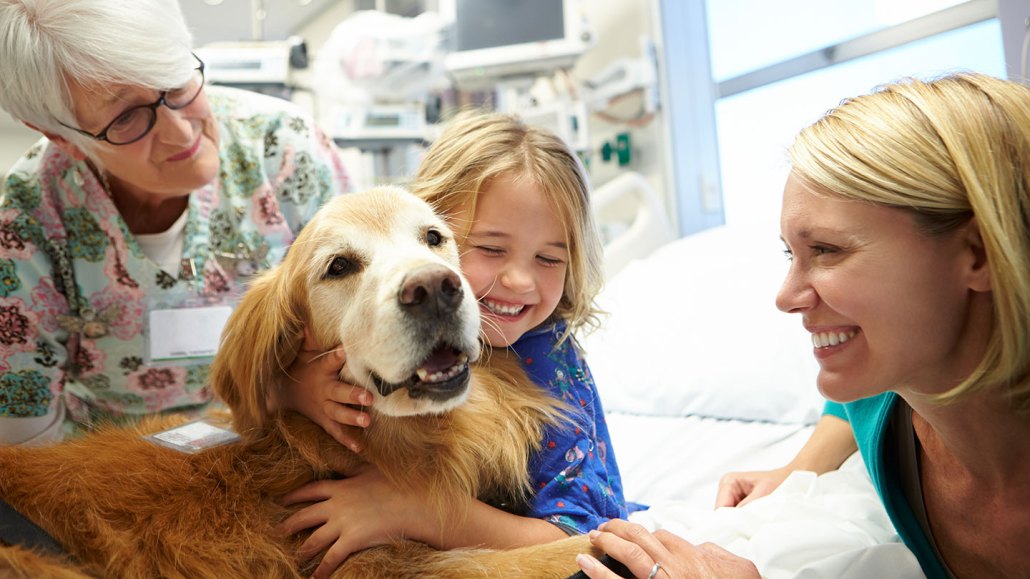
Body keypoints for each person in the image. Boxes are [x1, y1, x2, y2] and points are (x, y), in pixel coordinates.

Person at [575, 72, 1030, 579]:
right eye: (791, 254)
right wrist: (799, 468)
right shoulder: (885, 391)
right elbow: (850, 401)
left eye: (827, 250)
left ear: (978, 253)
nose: (786, 298)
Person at [278, 110, 631, 578]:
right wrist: (293, 388)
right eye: (489, 249)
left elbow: (587, 543)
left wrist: (416, 508)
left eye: (549, 258)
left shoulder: (551, 364)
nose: (520, 281)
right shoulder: (395, 315)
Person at [0, 0, 368, 448]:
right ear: (63, 137)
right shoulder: (30, 216)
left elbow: (370, 324)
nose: (180, 132)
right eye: (126, 117)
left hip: (289, 442)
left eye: (176, 83)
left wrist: (287, 393)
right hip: (111, 469)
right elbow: (24, 437)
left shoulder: (284, 148)